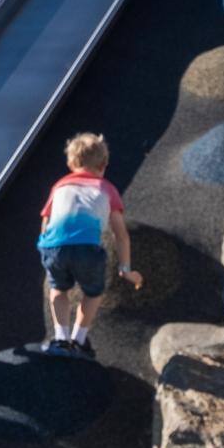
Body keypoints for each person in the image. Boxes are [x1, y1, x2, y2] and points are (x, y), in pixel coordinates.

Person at [37, 133, 142, 357]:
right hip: (87, 249)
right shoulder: (107, 189)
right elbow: (121, 235)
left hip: (55, 247)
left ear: (70, 163)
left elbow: (45, 222)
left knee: (57, 289)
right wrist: (126, 270)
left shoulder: (59, 187)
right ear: (104, 164)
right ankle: (79, 339)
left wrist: (45, 249)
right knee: (93, 293)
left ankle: (61, 338)